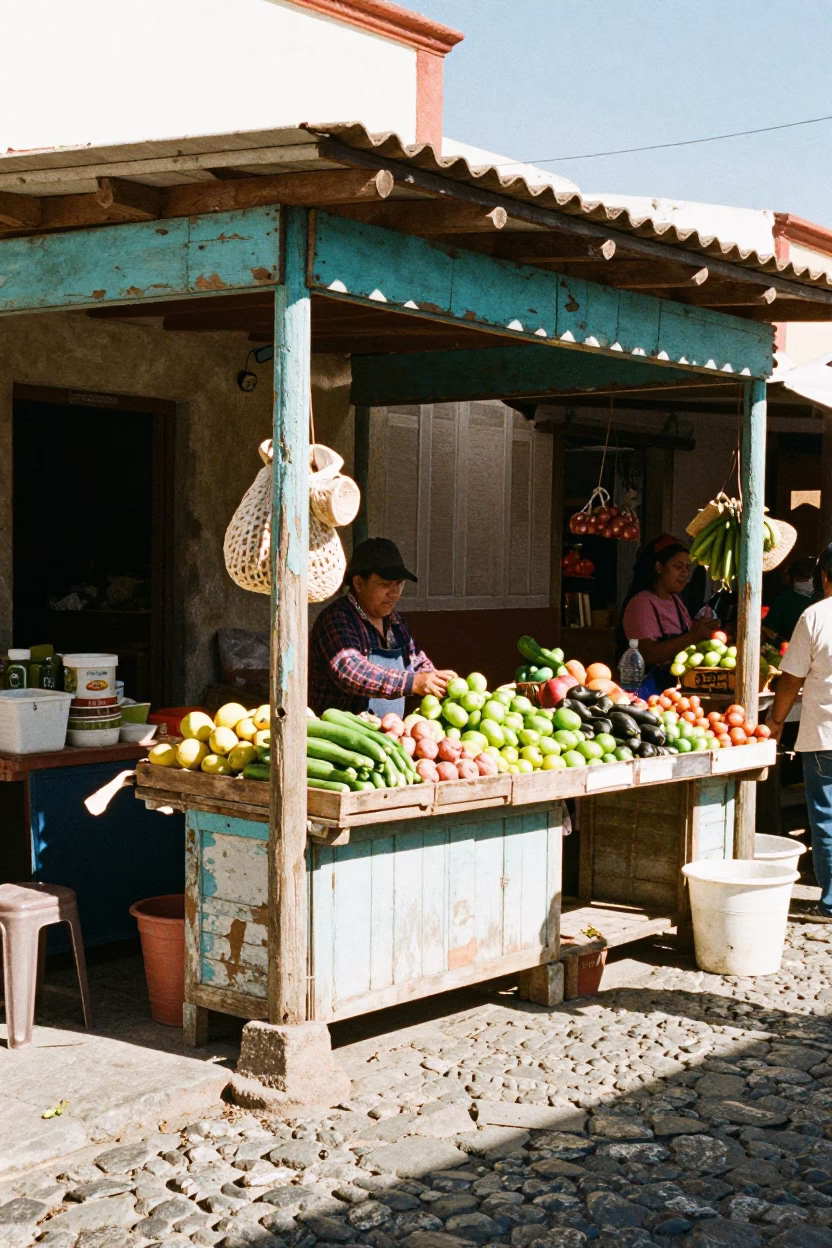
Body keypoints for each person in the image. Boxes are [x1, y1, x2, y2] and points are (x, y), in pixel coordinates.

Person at [309, 537, 456, 717]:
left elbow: (415, 661)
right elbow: (350, 670)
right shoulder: (336, 619)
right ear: (358, 583)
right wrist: (413, 683)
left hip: (389, 734)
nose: (394, 594)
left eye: (398, 585)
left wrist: (437, 680)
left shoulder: (395, 622)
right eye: (385, 584)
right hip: (341, 738)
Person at [767, 544, 832, 922]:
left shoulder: (816, 616)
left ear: (824, 576)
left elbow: (790, 678)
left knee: (826, 818)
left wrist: (776, 721)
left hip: (825, 734)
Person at [619, 534, 717, 697]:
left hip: (674, 693)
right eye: (678, 567)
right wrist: (692, 637)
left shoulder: (676, 601)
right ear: (659, 567)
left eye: (687, 568)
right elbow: (648, 653)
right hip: (647, 696)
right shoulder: (641, 603)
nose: (685, 573)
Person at [763, 558, 816, 645]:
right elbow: (770, 629)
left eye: (812, 576)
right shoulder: (783, 600)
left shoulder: (819, 599)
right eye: (805, 577)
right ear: (795, 579)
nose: (810, 580)